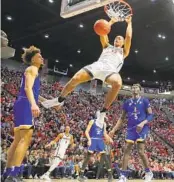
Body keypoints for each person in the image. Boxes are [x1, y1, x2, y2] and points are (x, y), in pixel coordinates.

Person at [41, 16, 133, 123]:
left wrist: (129, 23)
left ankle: (103, 111)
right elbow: (103, 32)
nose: (117, 39)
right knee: (75, 78)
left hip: (110, 71)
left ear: (122, 43)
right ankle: (59, 100)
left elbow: (129, 37)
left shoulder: (124, 52)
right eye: (116, 38)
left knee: (117, 83)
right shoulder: (106, 46)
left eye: (120, 39)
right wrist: (111, 21)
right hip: (97, 66)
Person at [3, 46, 46, 182]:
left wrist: (47, 102)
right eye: (39, 56)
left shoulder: (32, 70)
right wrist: (33, 104)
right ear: (32, 59)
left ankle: (7, 173)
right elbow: (28, 88)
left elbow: (31, 91)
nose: (41, 57)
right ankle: (14, 174)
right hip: (26, 103)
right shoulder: (33, 69)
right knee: (25, 139)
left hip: (22, 102)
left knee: (17, 140)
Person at [110, 84, 154, 182]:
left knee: (141, 152)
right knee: (126, 150)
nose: (134, 89)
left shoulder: (145, 101)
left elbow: (151, 115)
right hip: (130, 129)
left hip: (142, 128)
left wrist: (142, 123)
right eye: (133, 87)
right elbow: (121, 118)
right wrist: (113, 130)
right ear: (131, 90)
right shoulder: (127, 102)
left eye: (136, 87)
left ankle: (148, 172)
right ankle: (123, 176)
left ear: (139, 89)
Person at [78, 118, 113, 182]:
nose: (104, 118)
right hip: (93, 139)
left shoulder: (104, 124)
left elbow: (104, 134)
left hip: (100, 140)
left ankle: (110, 176)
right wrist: (89, 139)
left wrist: (109, 138)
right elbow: (86, 131)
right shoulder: (92, 121)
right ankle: (81, 175)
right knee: (87, 158)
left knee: (105, 158)